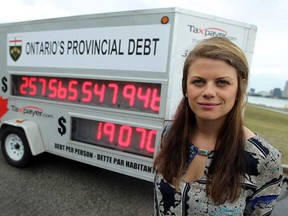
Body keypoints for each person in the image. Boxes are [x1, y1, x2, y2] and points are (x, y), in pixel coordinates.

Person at [153, 36, 283, 215]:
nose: (208, 92)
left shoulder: (265, 160)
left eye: (222, 82)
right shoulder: (170, 134)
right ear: (185, 87)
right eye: (198, 81)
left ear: (239, 88)